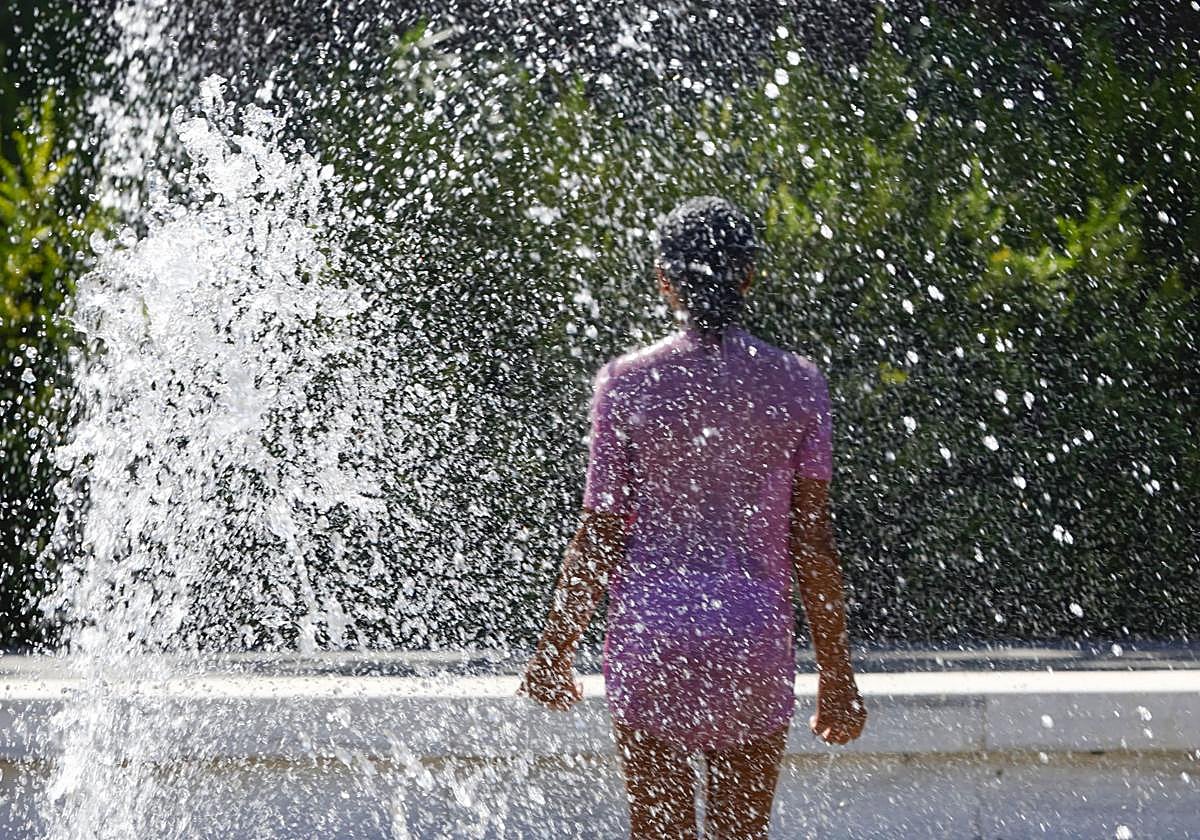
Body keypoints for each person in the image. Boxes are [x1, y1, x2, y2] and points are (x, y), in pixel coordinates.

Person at [519, 196, 866, 839]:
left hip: (651, 636)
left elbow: (601, 531)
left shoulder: (626, 382)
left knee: (659, 833)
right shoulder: (797, 382)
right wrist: (836, 674)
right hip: (751, 637)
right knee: (741, 834)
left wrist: (555, 650)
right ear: (749, 276)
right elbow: (812, 540)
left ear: (664, 280)